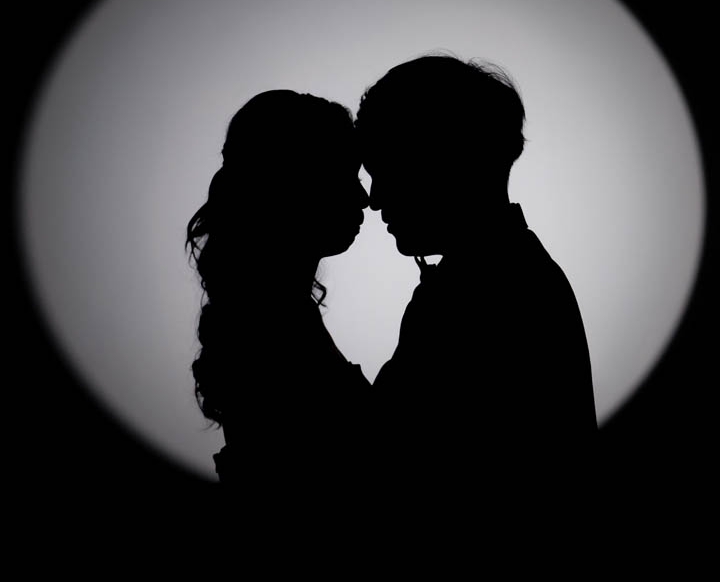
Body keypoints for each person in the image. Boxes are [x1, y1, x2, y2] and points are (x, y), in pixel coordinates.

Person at [355, 54, 597, 515]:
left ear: (442, 163)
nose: (375, 199)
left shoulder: (477, 293)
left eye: (387, 169)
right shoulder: (510, 274)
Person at [186, 90, 371, 518]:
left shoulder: (266, 311)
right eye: (346, 175)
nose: (364, 199)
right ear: (294, 183)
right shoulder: (270, 327)